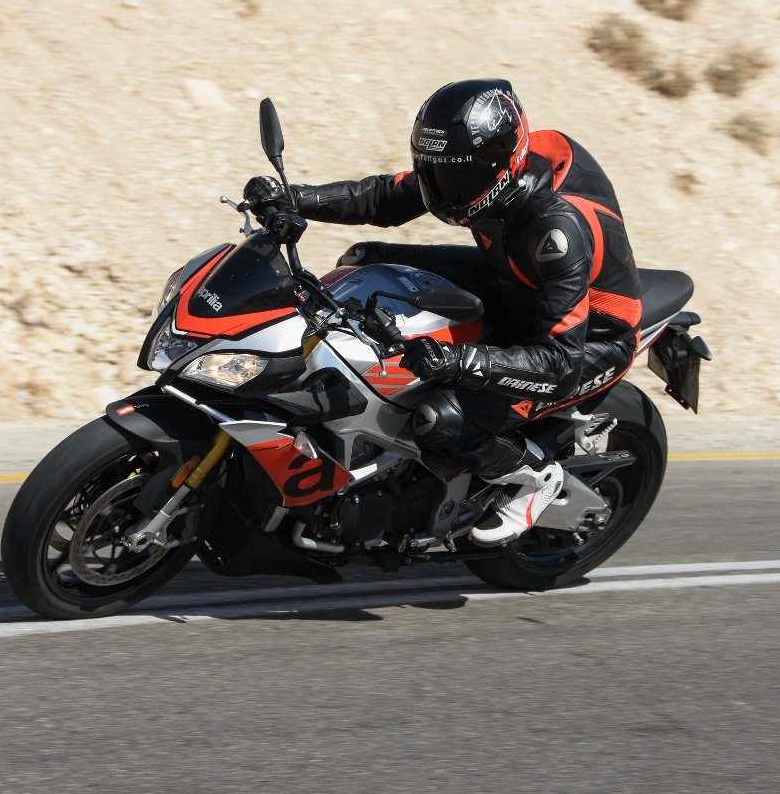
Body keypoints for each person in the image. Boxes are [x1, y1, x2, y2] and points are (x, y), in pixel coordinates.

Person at [243, 79, 642, 545]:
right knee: (363, 258)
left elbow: (560, 362)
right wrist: (294, 199)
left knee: (442, 419)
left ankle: (535, 478)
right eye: (432, 172)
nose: (439, 190)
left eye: (454, 178)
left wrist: (461, 361)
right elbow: (385, 197)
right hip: (513, 279)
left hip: (590, 341)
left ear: (500, 166)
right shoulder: (479, 168)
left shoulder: (556, 232)